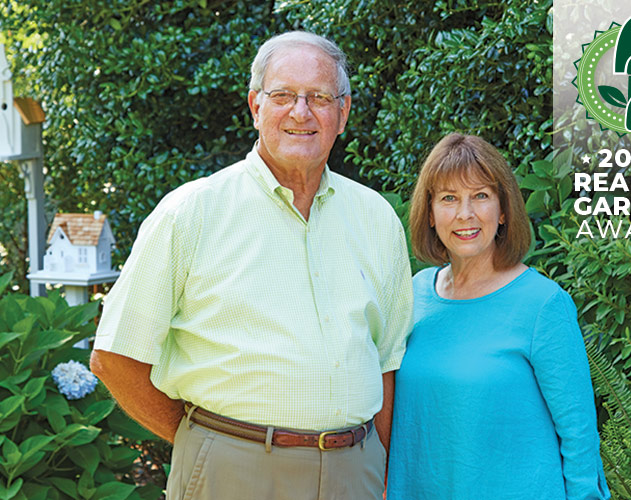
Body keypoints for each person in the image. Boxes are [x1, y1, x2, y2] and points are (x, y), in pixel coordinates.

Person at [90, 31, 413, 500]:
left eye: (320, 97)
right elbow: (115, 357)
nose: (301, 112)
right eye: (283, 95)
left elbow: (386, 362)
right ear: (255, 106)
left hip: (354, 473)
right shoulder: (191, 213)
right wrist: (198, 441)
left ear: (342, 113)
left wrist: (379, 467)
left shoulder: (377, 218)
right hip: (232, 472)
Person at [387, 133, 610, 500]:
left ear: (503, 209)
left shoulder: (543, 305)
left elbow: (579, 436)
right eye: (449, 198)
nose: (465, 214)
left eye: (480, 196)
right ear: (429, 213)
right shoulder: (414, 296)